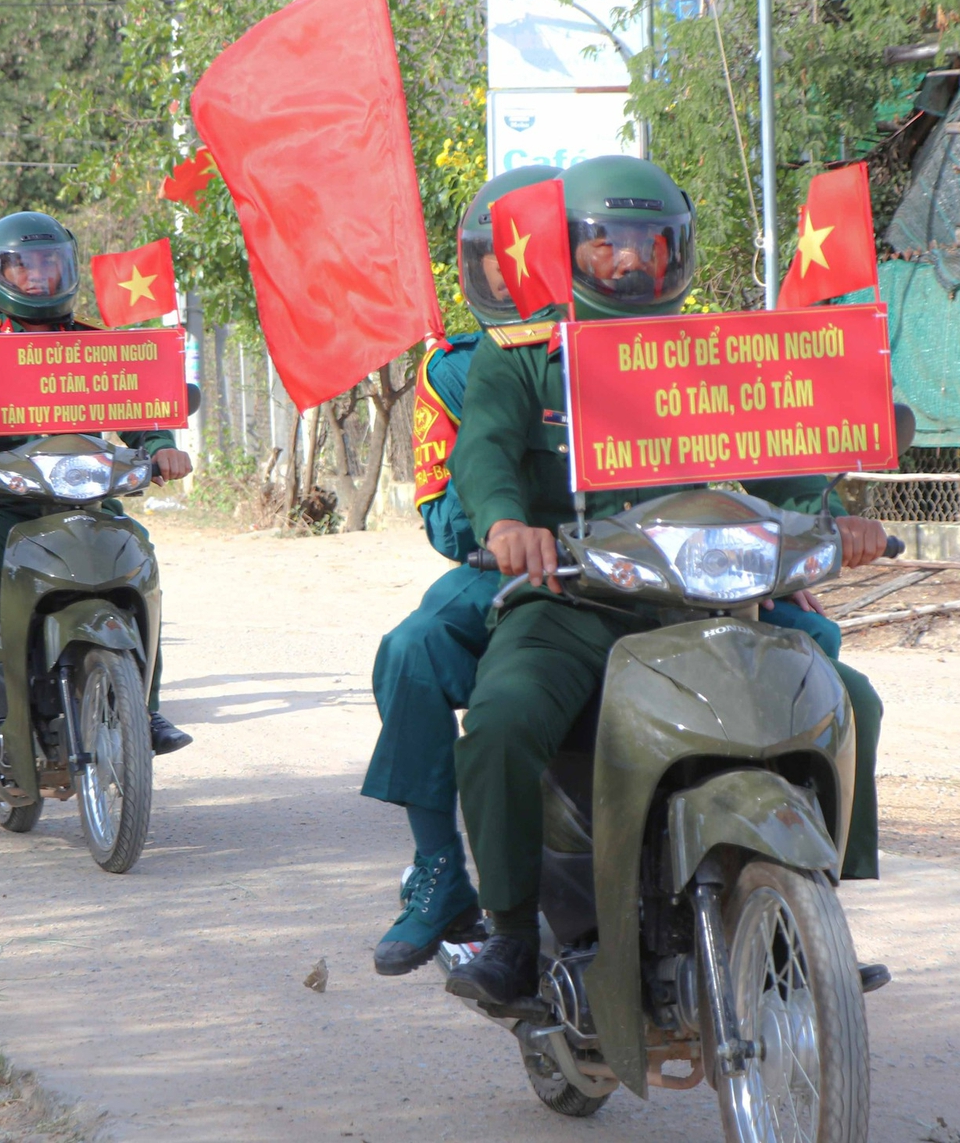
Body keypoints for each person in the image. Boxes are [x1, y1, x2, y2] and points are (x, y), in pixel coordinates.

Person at [440, 155, 892, 1004]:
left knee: (848, 701)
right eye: (609, 243)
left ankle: (811, 912)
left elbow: (782, 463)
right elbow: (486, 450)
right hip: (574, 605)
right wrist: (507, 523)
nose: (631, 262)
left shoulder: (711, 350)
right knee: (501, 723)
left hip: (704, 604)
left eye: (651, 243)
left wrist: (835, 523)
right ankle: (508, 936)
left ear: (677, 250)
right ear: (570, 248)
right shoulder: (524, 353)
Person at [0, 212, 194, 766]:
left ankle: (147, 704)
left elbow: (139, 412)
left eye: (49, 264)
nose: (38, 278)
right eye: (23, 266)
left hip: (85, 498)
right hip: (2, 501)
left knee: (139, 557)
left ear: (68, 266)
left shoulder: (96, 343)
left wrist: (160, 446)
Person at [360, 165, 560, 976]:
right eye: (494, 258)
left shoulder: (647, 342)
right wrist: (506, 529)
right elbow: (443, 508)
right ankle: (440, 869)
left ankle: (794, 896)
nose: (510, 273)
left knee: (804, 632)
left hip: (656, 561)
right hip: (519, 568)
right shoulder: (457, 366)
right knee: (412, 648)